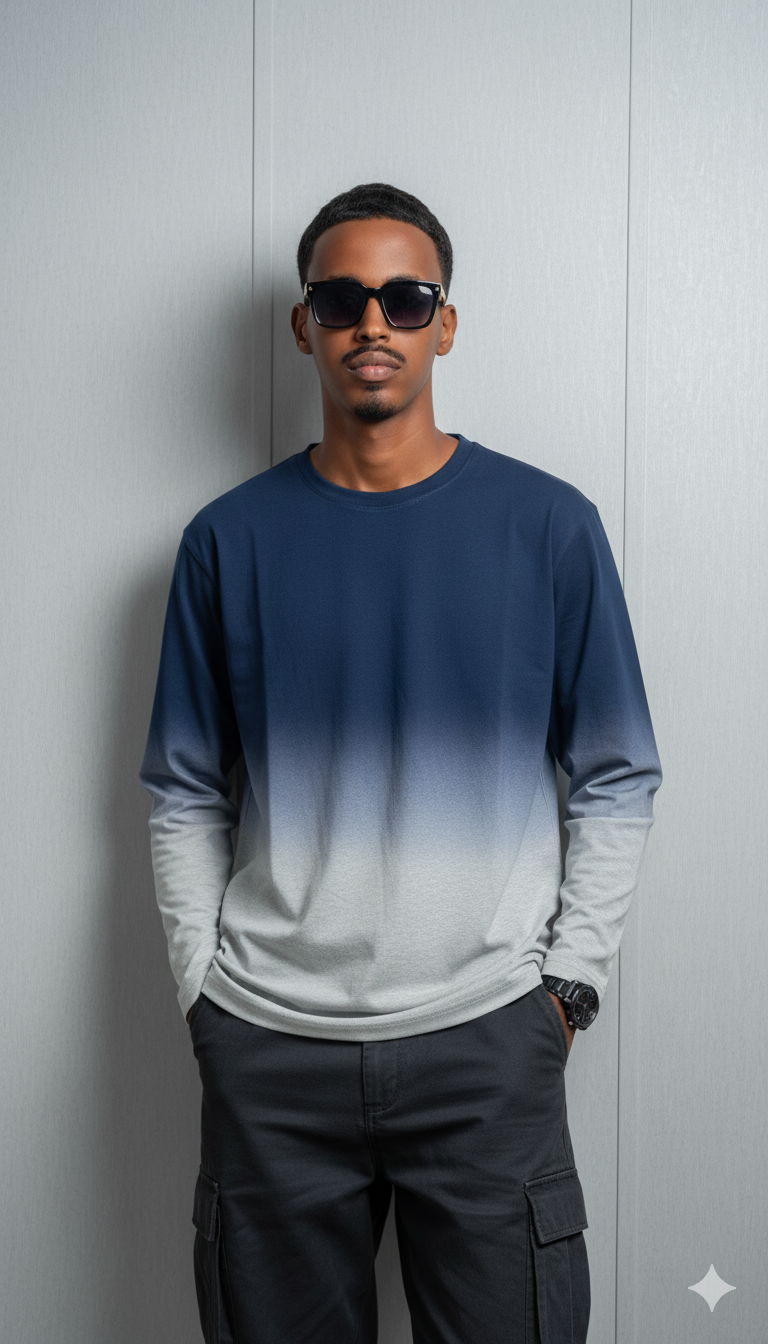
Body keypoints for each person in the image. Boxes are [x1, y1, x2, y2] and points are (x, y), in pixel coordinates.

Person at [140, 181, 662, 1344]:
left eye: (404, 298)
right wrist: (204, 990)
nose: (372, 323)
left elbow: (618, 770)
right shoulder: (227, 541)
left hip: (488, 1044)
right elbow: (183, 788)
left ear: (445, 322)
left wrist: (569, 988)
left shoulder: (549, 526)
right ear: (304, 325)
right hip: (271, 1051)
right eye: (341, 299)